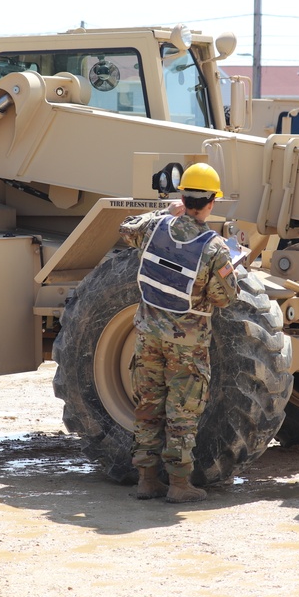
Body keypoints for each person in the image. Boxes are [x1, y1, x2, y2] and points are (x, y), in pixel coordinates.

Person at [118, 163, 239, 503]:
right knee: (182, 413)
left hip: (147, 335)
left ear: (181, 197)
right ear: (212, 203)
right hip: (187, 344)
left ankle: (145, 479)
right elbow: (225, 297)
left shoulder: (157, 226)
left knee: (148, 405)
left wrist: (167, 213)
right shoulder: (214, 248)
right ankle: (180, 485)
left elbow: (126, 229)